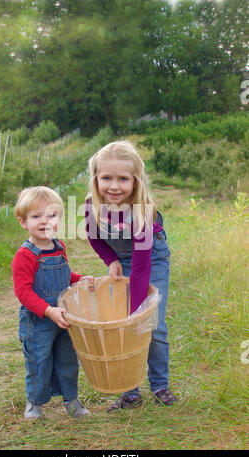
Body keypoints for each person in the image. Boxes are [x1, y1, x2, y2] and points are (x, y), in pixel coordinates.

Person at [85, 140, 177, 411]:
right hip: (122, 259)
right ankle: (130, 392)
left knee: (152, 324)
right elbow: (94, 238)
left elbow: (141, 266)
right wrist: (110, 259)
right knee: (122, 328)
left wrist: (137, 311)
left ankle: (160, 384)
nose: (114, 186)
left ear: (135, 181)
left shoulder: (143, 211)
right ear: (96, 178)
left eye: (123, 179)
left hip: (151, 260)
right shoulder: (93, 205)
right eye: (106, 178)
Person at [12, 186, 93, 420]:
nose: (44, 221)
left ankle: (72, 400)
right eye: (36, 216)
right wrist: (48, 311)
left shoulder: (59, 247)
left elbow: (64, 276)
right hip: (38, 322)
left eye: (51, 215)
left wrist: (80, 279)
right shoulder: (25, 255)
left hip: (64, 318)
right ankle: (35, 404)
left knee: (68, 359)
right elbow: (23, 292)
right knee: (39, 361)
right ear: (23, 222)